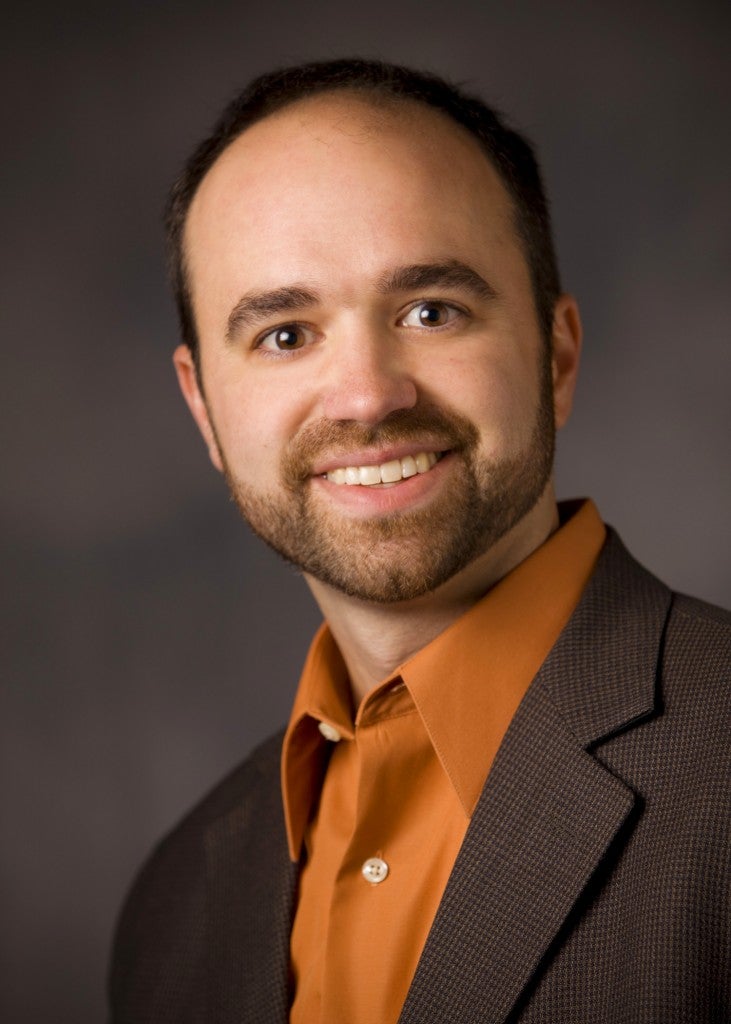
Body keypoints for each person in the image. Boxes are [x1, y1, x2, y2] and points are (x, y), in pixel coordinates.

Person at [109, 59, 730, 1023]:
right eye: (284, 334)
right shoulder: (176, 904)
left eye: (430, 312)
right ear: (204, 410)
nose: (367, 397)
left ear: (555, 355)